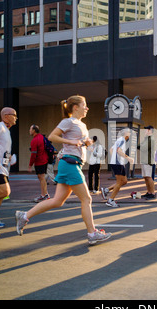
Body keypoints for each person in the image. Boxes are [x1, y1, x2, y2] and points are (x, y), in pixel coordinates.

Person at [15, 95, 111, 245]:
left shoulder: (81, 124)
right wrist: (71, 141)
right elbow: (53, 136)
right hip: (70, 164)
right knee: (86, 199)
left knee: (58, 201)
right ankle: (92, 234)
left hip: (71, 163)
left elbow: (77, 143)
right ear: (75, 107)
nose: (87, 108)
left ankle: (25, 215)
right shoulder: (68, 121)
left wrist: (86, 143)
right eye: (84, 105)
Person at [101, 128, 134, 207]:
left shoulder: (120, 140)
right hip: (117, 164)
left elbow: (111, 149)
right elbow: (118, 151)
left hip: (118, 163)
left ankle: (106, 190)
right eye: (129, 132)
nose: (130, 134)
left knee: (124, 181)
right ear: (125, 133)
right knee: (119, 182)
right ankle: (110, 200)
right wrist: (128, 158)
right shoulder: (122, 140)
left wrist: (115, 158)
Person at [28, 124, 50, 202]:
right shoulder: (42, 137)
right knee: (42, 178)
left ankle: (44, 195)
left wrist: (30, 165)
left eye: (30, 129)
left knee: (41, 178)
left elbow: (33, 154)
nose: (29, 131)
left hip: (39, 161)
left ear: (34, 131)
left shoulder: (35, 140)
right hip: (45, 160)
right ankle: (45, 194)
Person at [139, 125, 156, 200]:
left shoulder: (151, 139)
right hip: (144, 160)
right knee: (146, 177)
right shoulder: (146, 138)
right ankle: (149, 192)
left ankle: (152, 193)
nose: (145, 131)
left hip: (148, 161)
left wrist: (141, 146)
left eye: (146, 129)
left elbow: (143, 148)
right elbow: (140, 146)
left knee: (149, 177)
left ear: (150, 131)